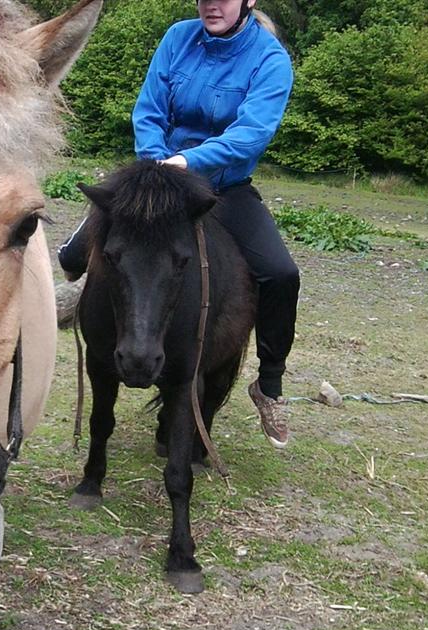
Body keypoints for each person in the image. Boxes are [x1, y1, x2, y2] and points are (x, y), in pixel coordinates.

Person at [58, 0, 299, 449]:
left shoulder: (269, 58)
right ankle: (94, 308)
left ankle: (269, 385)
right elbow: (148, 109)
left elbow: (252, 133)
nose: (211, 4)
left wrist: (189, 161)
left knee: (281, 274)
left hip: (221, 187)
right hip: (159, 177)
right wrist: (157, 164)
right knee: (74, 253)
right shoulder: (177, 37)